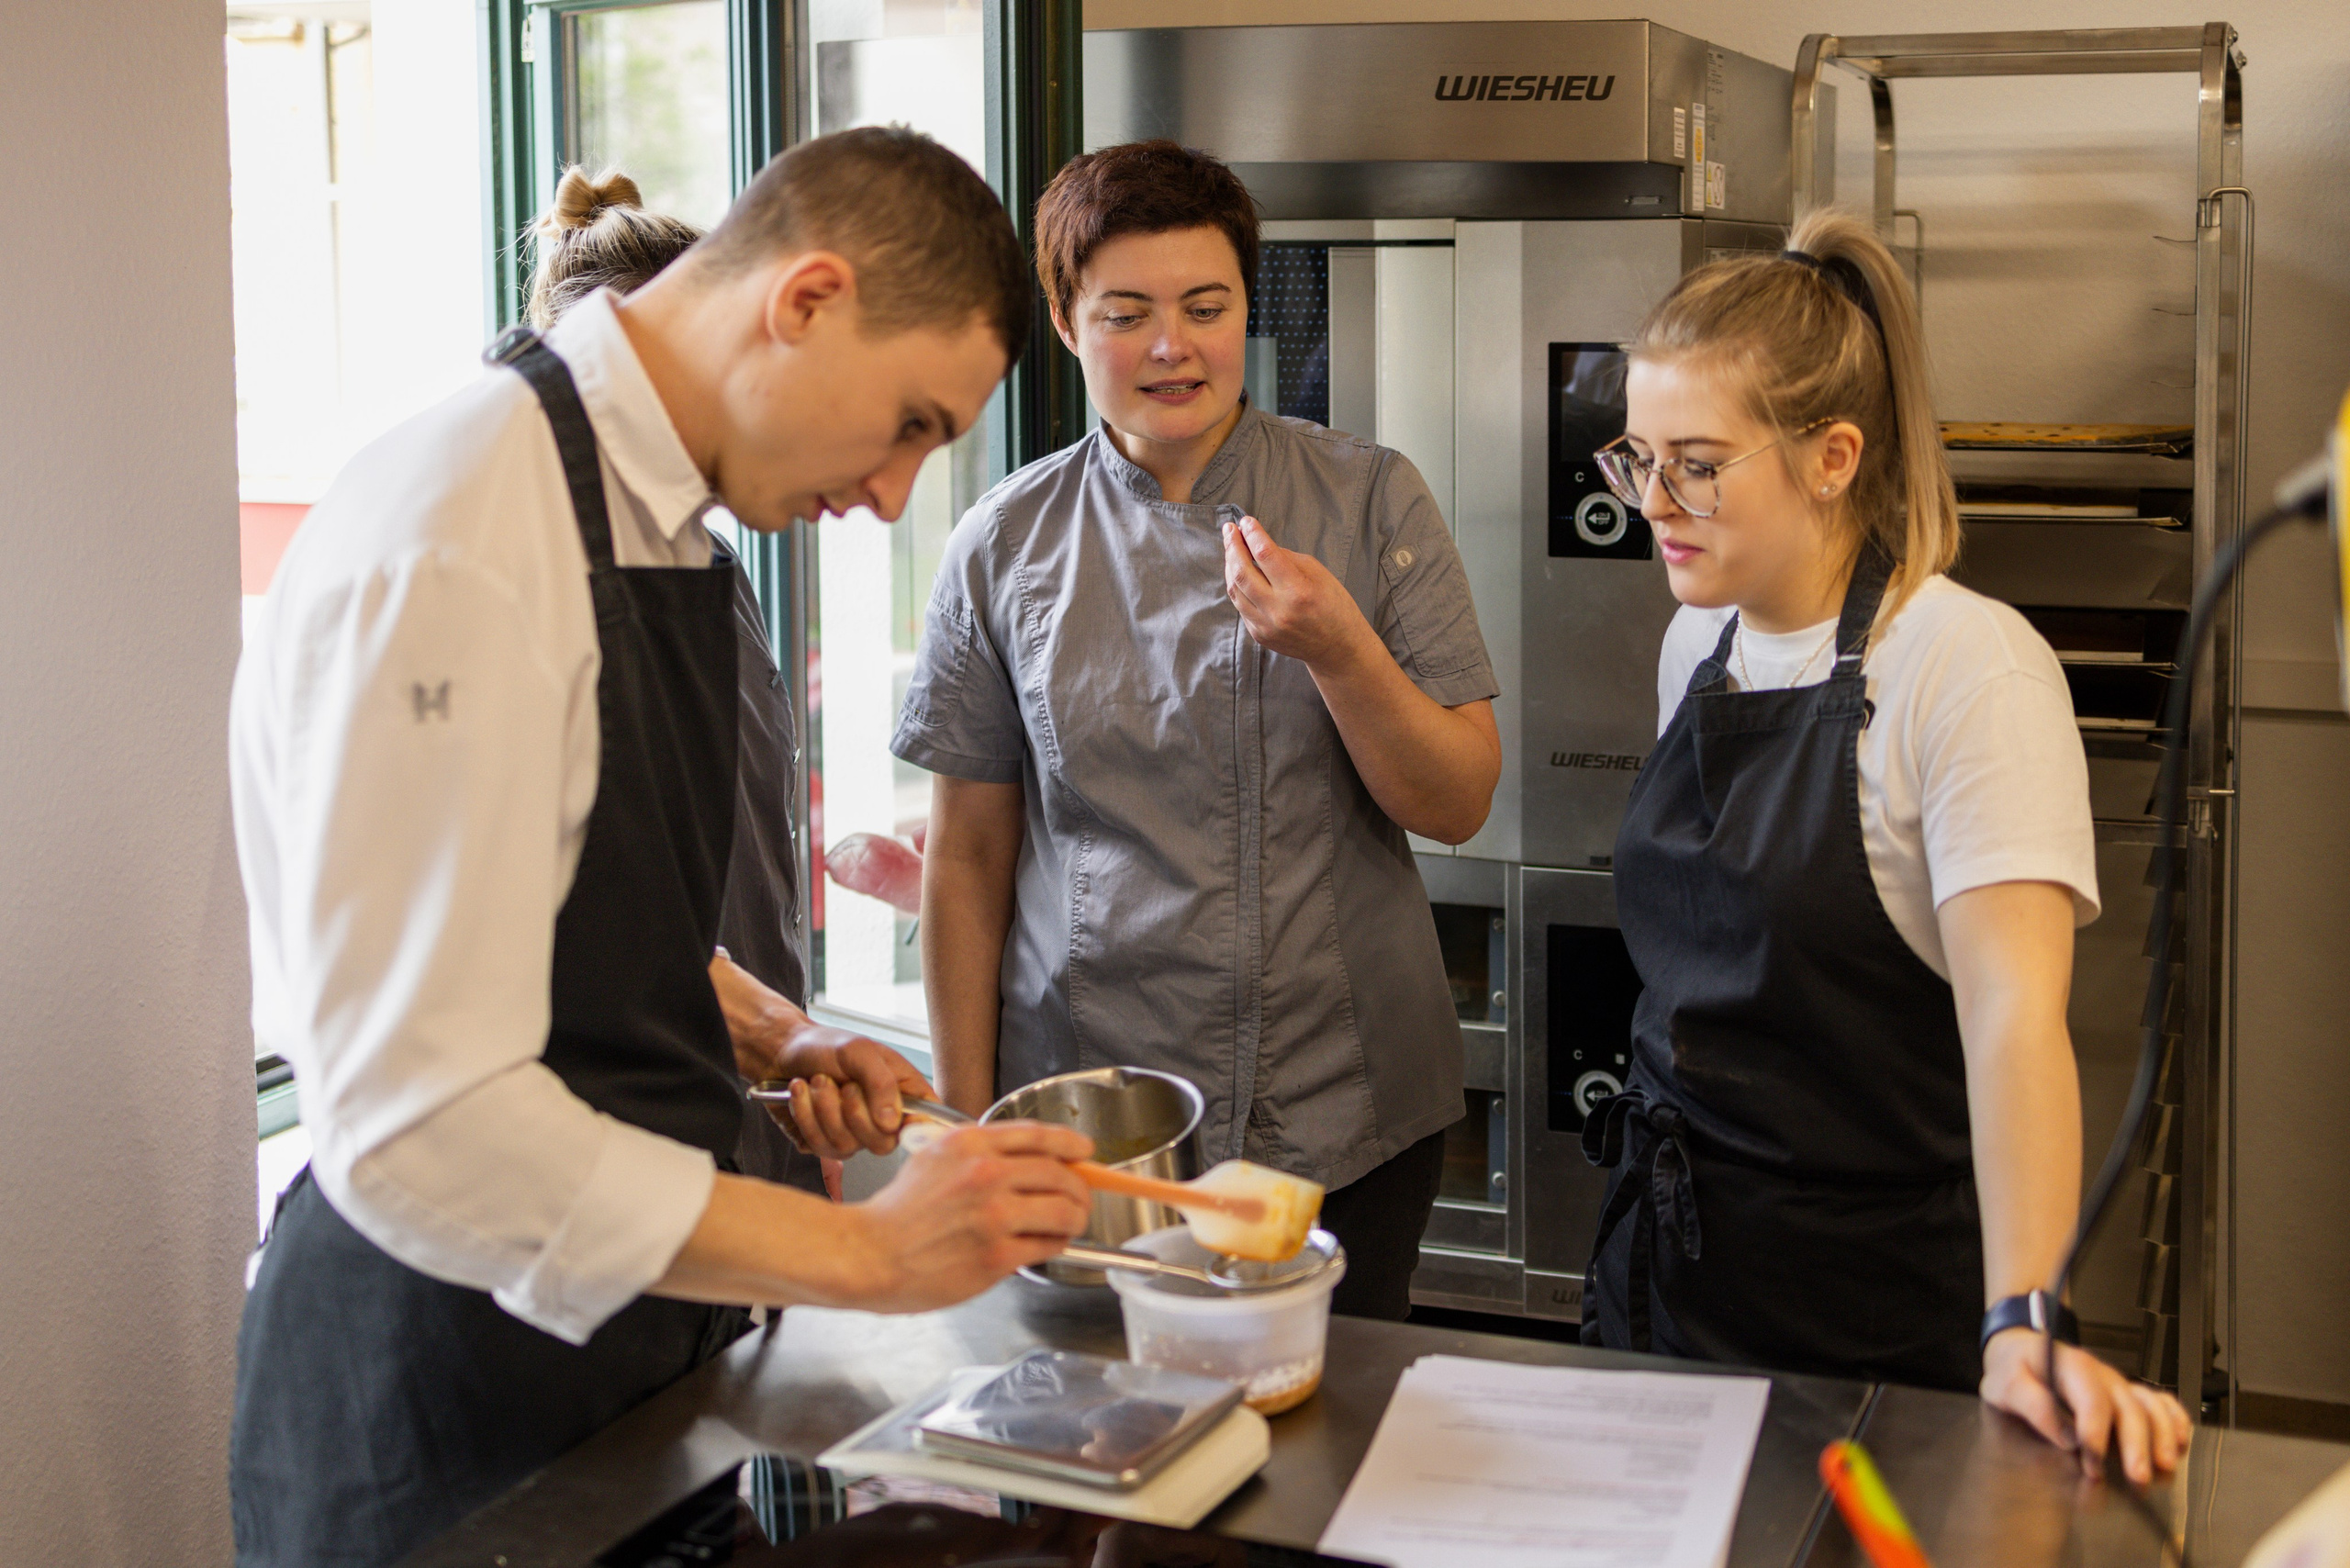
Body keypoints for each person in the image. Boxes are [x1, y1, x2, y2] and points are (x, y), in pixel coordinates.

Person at [229, 128, 1095, 1568]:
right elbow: (415, 1125)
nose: (892, 496)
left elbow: (556, 900)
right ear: (806, 299)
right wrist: (871, 1257)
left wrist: (771, 1034)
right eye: (912, 425)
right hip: (442, 1402)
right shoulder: (463, 545)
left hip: (621, 1370)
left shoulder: (660, 521)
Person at [1580, 207, 2192, 1481]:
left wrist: (2023, 1320)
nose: (1654, 504)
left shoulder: (1967, 670)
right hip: (1676, 1271)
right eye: (1639, 457)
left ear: (1833, 457)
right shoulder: (1701, 642)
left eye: (1697, 462)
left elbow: (2016, 1027)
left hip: (1868, 1305)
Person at [895, 140, 1502, 1321]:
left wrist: (1340, 650)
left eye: (1205, 307)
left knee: (1317, 1461)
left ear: (1243, 312)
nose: (1172, 346)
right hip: (1094, 1123)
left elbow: (1456, 799)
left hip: (1347, 1104)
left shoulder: (1371, 498)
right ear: (1067, 325)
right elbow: (964, 860)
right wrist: (965, 1134)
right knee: (1107, 1461)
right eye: (1127, 313)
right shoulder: (1003, 543)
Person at [522, 163, 881, 1199]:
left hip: (741, 1087)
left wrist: (790, 1046)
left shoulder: (707, 571)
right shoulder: (525, 578)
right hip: (619, 1137)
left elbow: (737, 872)